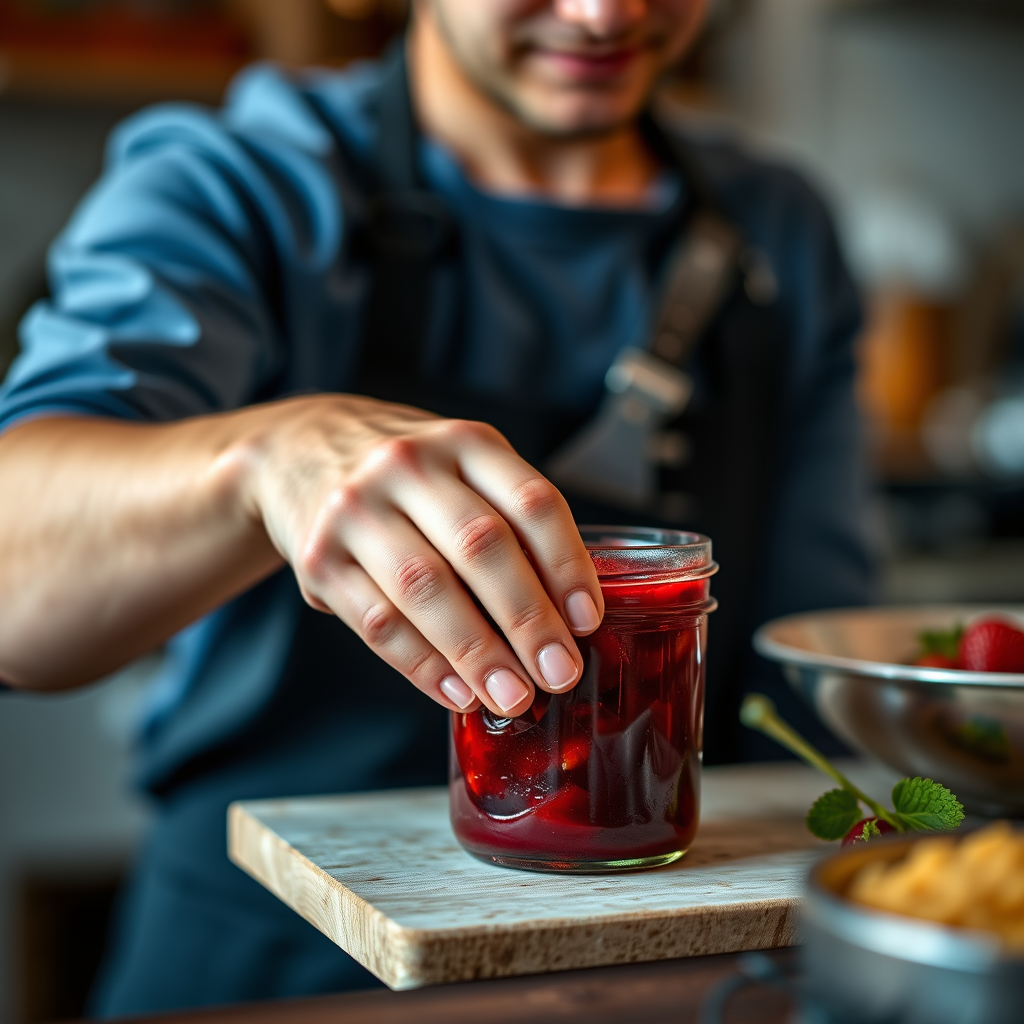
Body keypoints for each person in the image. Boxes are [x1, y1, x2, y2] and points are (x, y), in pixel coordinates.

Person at [0, 0, 874, 1015]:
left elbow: (811, 682)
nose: (607, 14)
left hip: (666, 959)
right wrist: (261, 461)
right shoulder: (239, 183)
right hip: (277, 969)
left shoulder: (778, 235)